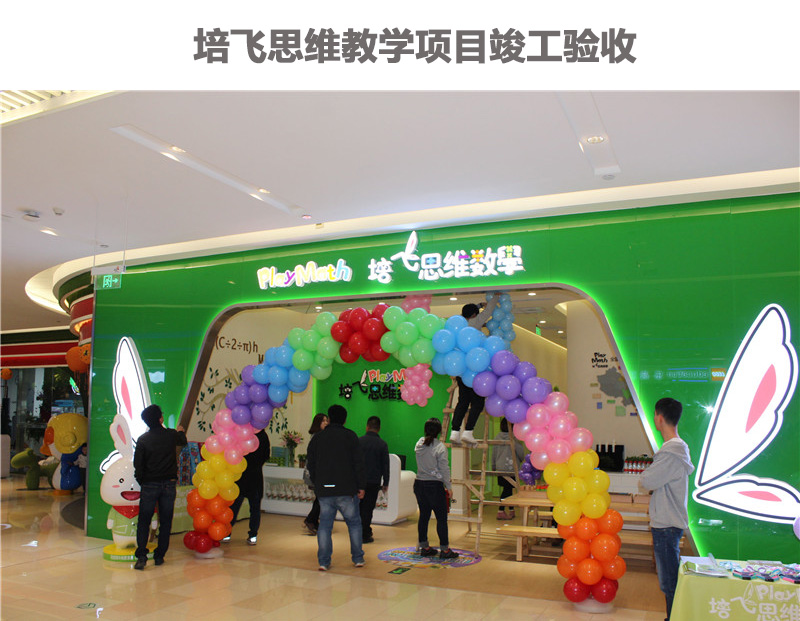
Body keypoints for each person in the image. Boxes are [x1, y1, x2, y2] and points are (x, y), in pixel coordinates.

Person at [640, 397, 694, 621]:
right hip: (669, 523)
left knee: (669, 582)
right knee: (669, 580)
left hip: (666, 525)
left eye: (654, 414)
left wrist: (649, 475)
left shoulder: (671, 452)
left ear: (659, 418)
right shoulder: (676, 449)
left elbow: (646, 481)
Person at [306, 404, 366, 571]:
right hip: (347, 489)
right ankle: (358, 558)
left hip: (325, 489)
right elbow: (359, 463)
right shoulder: (351, 436)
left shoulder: (318, 438)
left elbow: (311, 463)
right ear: (345, 420)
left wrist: (318, 481)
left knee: (325, 525)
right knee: (354, 524)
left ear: (330, 418)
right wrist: (361, 486)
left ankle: (324, 561)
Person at [132, 405, 187, 570]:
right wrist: (181, 431)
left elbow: (138, 466)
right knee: (166, 521)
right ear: (160, 419)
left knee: (144, 521)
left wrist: (143, 481)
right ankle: (159, 556)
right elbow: (182, 441)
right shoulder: (171, 435)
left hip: (149, 484)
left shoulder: (143, 439)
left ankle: (141, 556)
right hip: (169, 483)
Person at [450, 292, 500, 445]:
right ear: (473, 315)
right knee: (477, 403)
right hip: (475, 370)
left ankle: (454, 432)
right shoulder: (475, 322)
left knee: (462, 402)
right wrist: (496, 297)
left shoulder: (458, 325)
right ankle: (468, 431)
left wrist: (477, 306)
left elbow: (468, 313)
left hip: (460, 370)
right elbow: (488, 311)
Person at [414, 418, 458, 559]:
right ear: (439, 431)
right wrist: (449, 487)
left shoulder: (419, 444)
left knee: (424, 516)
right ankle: (445, 550)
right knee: (441, 519)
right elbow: (444, 469)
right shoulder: (440, 447)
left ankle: (424, 547)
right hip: (434, 486)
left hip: (419, 484)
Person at [224, 428, 269, 545]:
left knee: (234, 507)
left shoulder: (242, 433)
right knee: (254, 508)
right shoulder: (263, 436)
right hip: (255, 476)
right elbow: (266, 455)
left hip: (241, 475)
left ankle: (227, 533)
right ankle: (253, 535)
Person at [358, 416, 390, 543]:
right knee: (368, 508)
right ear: (379, 428)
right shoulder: (382, 444)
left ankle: (358, 531)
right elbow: (385, 465)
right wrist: (386, 482)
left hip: (359, 481)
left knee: (359, 507)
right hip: (374, 481)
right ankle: (365, 533)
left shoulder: (359, 441)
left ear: (367, 427)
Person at [492, 418, 525, 520]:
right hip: (511, 469)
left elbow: (493, 454)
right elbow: (521, 454)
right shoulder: (514, 439)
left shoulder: (497, 438)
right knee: (507, 490)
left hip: (500, 469)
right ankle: (500, 510)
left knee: (508, 489)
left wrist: (494, 467)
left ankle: (511, 510)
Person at [303, 412, 328, 535]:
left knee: (320, 498)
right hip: (316, 473)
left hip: (317, 473)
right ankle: (311, 519)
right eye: (323, 421)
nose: (326, 423)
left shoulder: (319, 436)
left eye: (326, 420)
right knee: (321, 498)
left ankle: (313, 520)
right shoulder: (317, 437)